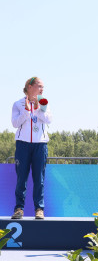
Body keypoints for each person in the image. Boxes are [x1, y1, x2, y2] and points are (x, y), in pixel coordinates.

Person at [11, 77, 52, 219]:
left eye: (43, 87)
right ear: (29, 86)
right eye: (39, 86)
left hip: (40, 144)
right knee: (21, 178)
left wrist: (39, 108)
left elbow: (49, 120)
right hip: (22, 144)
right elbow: (15, 123)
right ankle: (18, 209)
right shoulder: (18, 104)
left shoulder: (44, 103)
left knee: (39, 178)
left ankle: (39, 209)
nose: (42, 89)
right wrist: (26, 111)